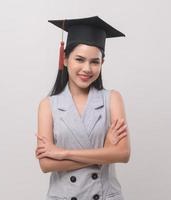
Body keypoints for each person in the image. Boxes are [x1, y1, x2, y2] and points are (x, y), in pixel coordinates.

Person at [35, 16, 131, 200]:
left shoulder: (112, 98)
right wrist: (105, 150)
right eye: (79, 59)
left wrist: (62, 153)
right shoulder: (48, 105)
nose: (87, 68)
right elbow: (46, 164)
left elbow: (123, 154)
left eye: (95, 62)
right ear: (65, 59)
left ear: (102, 63)